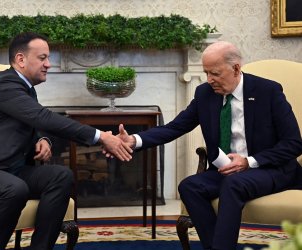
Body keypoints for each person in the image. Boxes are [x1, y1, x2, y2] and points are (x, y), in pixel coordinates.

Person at [113, 41, 302, 249]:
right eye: (206, 73)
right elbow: (176, 127)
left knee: (234, 184)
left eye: (215, 73)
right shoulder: (205, 94)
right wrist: (135, 140)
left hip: (269, 168)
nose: (210, 80)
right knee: (189, 186)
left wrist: (248, 162)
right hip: (228, 170)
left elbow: (293, 143)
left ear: (236, 68)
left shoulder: (268, 91)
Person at [0, 32, 132, 250]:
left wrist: (43, 139)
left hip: (8, 169)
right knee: (14, 188)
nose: (49, 64)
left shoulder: (25, 89)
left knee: (60, 176)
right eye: (42, 58)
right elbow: (42, 117)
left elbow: (31, 120)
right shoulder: (5, 85)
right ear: (21, 59)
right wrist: (101, 136)